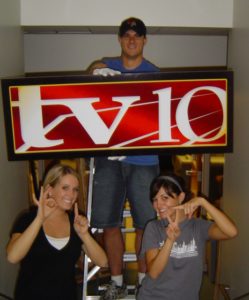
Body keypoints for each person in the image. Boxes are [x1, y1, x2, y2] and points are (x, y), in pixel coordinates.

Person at [88, 17, 160, 299]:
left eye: (137, 36)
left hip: (144, 159)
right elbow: (85, 96)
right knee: (108, 222)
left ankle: (143, 283)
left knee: (146, 223)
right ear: (120, 39)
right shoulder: (104, 67)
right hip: (108, 158)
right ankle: (116, 282)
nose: (132, 39)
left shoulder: (155, 73)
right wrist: (93, 72)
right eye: (127, 35)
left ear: (144, 40)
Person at [6, 164, 108, 300]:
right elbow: (12, 257)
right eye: (65, 188)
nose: (71, 195)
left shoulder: (75, 221)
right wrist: (39, 219)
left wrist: (84, 234)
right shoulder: (28, 219)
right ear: (50, 189)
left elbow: (102, 261)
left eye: (75, 190)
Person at [136, 174, 238, 300]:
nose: (158, 204)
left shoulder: (198, 226)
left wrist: (203, 202)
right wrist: (170, 240)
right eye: (155, 199)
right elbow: (153, 272)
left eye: (165, 198)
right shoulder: (153, 227)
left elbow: (231, 232)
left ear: (181, 197)